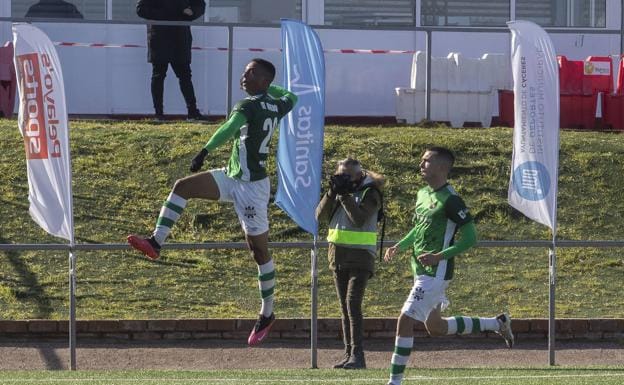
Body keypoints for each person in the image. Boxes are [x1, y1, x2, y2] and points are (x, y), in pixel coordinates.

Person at [127, 58, 298, 346]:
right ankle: (156, 242)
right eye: (244, 70)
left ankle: (267, 313)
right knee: (182, 187)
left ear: (264, 80)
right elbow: (291, 96)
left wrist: (204, 151)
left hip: (252, 188)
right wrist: (272, 89)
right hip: (232, 176)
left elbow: (229, 129)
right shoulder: (276, 104)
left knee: (259, 251)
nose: (244, 75)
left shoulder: (248, 106)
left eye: (252, 72)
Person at [383, 146, 514, 385]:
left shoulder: (452, 200)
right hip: (420, 270)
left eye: (426, 161)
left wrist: (439, 256)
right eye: (421, 160)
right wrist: (399, 246)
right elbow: (419, 228)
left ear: (442, 167)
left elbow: (470, 238)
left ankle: (394, 382)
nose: (421, 164)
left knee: (405, 319)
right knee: (436, 327)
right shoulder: (423, 193)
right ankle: (498, 323)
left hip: (436, 272)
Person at [315, 158, 384, 370]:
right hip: (338, 255)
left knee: (353, 304)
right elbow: (319, 216)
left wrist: (344, 195)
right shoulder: (338, 193)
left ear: (360, 174)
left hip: (361, 256)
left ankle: (358, 355)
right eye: (342, 174)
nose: (347, 178)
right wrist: (331, 193)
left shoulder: (370, 192)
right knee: (344, 307)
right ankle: (348, 353)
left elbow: (359, 219)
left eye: (350, 175)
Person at [136, 0, 208, 121]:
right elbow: (141, 9)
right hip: (159, 37)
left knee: (185, 76)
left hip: (180, 36)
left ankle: (192, 112)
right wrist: (169, 14)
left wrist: (192, 12)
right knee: (158, 76)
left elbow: (200, 5)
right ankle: (159, 114)